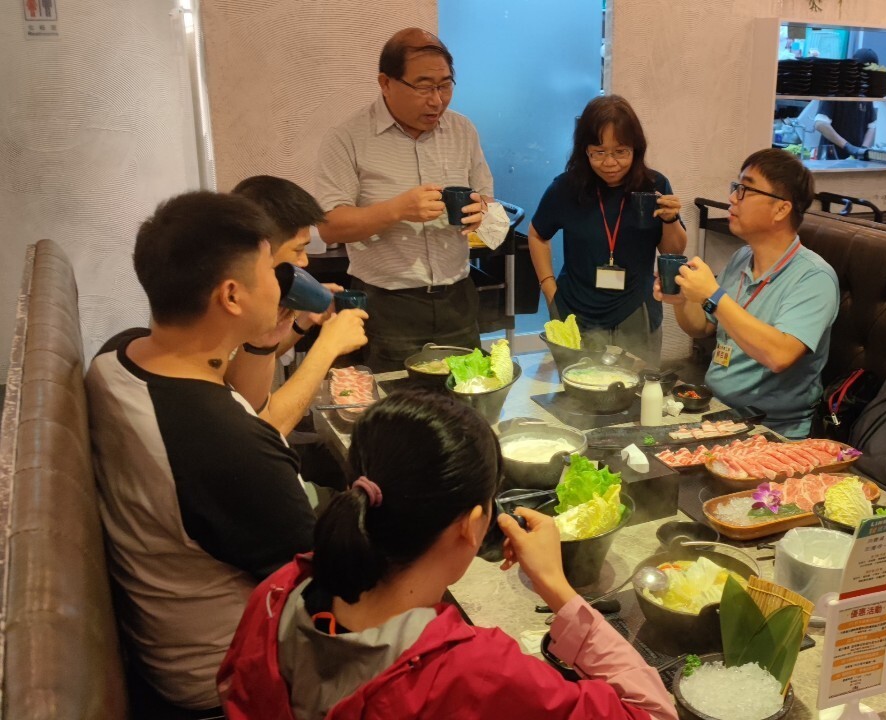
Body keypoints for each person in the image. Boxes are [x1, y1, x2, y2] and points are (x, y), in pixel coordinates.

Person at [218, 390, 676, 720]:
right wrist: (558, 589)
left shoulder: (276, 596)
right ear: (471, 523)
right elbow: (651, 712)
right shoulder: (472, 673)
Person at [85, 192, 319, 713]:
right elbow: (328, 584)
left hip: (165, 646)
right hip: (230, 681)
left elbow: (235, 402)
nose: (282, 283)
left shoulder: (118, 354)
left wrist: (265, 337)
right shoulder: (222, 442)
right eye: (271, 270)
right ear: (232, 295)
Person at [315, 28, 507, 372]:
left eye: (445, 86)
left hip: (457, 298)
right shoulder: (348, 138)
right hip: (388, 305)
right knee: (395, 397)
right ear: (385, 83)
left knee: (465, 391)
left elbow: (488, 202)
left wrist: (483, 213)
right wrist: (397, 210)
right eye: (423, 87)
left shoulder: (462, 130)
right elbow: (330, 227)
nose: (437, 100)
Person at [657, 149, 837, 438]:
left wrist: (713, 295)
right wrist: (682, 300)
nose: (732, 198)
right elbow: (701, 327)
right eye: (735, 187)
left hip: (772, 431)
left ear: (781, 209)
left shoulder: (814, 277)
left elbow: (779, 355)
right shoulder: (742, 257)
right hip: (717, 413)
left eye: (745, 190)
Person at [530, 95, 686, 364]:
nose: (610, 162)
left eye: (621, 151)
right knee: (576, 386)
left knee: (638, 385)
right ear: (585, 151)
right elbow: (537, 235)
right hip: (575, 311)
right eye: (599, 153)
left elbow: (673, 251)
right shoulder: (566, 188)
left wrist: (670, 219)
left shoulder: (653, 185)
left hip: (636, 310)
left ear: (636, 149)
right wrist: (549, 289)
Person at [227, 175, 369, 435]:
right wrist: (329, 346)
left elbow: (252, 362)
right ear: (261, 248)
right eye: (298, 249)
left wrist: (302, 322)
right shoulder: (226, 312)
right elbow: (263, 427)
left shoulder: (249, 301)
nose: (304, 262)